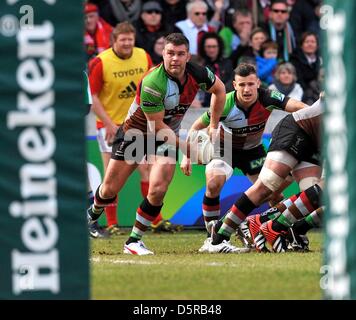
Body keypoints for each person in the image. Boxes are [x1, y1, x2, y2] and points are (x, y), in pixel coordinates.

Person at [87, 33, 226, 255]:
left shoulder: (198, 72)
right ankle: (91, 215)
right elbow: (156, 127)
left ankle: (133, 241)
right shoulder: (153, 82)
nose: (175, 59)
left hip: (166, 135)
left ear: (187, 56)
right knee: (109, 190)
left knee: (159, 188)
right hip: (136, 134)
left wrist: (214, 125)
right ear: (163, 54)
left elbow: (219, 91)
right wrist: (187, 149)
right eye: (170, 53)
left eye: (180, 54)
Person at [180, 63, 307, 253]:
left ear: (257, 83)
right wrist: (186, 156)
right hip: (225, 149)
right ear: (234, 85)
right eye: (241, 85)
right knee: (214, 183)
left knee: (273, 194)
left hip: (253, 151)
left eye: (250, 84)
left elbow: (298, 107)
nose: (246, 89)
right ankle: (212, 239)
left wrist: (317, 115)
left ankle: (281, 232)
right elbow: (195, 127)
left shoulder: (268, 97)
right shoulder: (225, 102)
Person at [209, 97, 323, 253]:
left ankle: (272, 224)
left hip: (316, 144)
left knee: (320, 197)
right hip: (298, 129)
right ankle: (219, 236)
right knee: (267, 185)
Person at [88, 21, 153, 236]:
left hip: (137, 125)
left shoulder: (143, 56)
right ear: (113, 41)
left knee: (146, 169)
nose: (127, 43)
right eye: (123, 39)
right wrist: (108, 123)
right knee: (111, 177)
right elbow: (93, 96)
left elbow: (150, 87)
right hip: (109, 125)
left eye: (130, 39)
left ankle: (155, 221)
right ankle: (111, 223)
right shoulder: (100, 62)